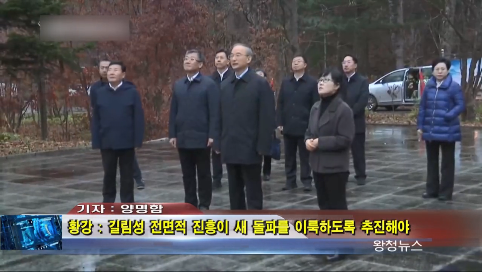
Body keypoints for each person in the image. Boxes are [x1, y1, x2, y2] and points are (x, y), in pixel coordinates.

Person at [305, 67, 354, 261]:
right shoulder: (316, 107)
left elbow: (345, 139)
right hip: (317, 164)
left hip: (335, 167)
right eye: (320, 79)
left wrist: (320, 143)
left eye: (326, 80)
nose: (321, 82)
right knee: (324, 207)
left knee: (337, 208)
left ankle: (344, 247)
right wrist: (308, 140)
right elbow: (309, 131)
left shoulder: (343, 110)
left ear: (337, 86)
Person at [220, 43, 275, 210]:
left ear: (249, 59)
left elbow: (267, 117)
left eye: (238, 55)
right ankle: (237, 225)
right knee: (234, 191)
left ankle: (254, 225)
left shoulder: (259, 83)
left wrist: (263, 145)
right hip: (230, 145)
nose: (233, 58)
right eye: (231, 55)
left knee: (253, 192)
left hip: (251, 147)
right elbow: (220, 116)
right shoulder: (225, 84)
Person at [168, 49, 220, 210]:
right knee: (187, 174)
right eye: (186, 58)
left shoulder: (208, 84)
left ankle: (204, 203)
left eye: (191, 59)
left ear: (200, 64)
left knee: (203, 173)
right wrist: (172, 134)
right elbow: (173, 111)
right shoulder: (178, 85)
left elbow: (214, 111)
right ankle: (190, 202)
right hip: (183, 136)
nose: (187, 61)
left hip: (202, 136)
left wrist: (213, 134)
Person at [91, 61, 145, 203]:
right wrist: (96, 140)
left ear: (123, 74)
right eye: (109, 70)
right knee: (109, 174)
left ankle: (127, 204)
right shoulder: (100, 93)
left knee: (127, 175)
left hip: (126, 141)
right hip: (107, 141)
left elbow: (138, 117)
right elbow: (96, 118)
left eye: (115, 70)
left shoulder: (131, 92)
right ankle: (107, 203)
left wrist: (137, 140)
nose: (111, 72)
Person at [417, 57, 465, 201]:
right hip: (430, 130)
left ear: (448, 70)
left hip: (448, 129)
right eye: (437, 69)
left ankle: (445, 192)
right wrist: (420, 127)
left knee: (447, 164)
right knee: (431, 162)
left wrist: (448, 115)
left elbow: (460, 105)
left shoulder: (454, 86)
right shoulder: (429, 87)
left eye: (442, 69)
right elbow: (423, 107)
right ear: (433, 71)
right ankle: (431, 190)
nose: (439, 71)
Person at [277, 55, 318, 191]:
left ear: (305, 65)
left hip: (305, 125)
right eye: (293, 61)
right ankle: (290, 180)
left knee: (305, 156)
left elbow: (315, 105)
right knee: (289, 156)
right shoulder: (286, 82)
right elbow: (281, 102)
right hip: (288, 124)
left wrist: (313, 124)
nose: (295, 64)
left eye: (299, 61)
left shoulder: (312, 83)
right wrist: (280, 122)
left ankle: (306, 180)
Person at [342, 55, 369, 185]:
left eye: (348, 62)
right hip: (340, 122)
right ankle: (342, 174)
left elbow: (363, 100)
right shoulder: (340, 81)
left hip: (356, 121)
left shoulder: (362, 81)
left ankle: (360, 175)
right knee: (341, 150)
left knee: (358, 150)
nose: (345, 65)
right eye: (344, 62)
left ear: (355, 65)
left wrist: (349, 113)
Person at [210, 49, 233, 189]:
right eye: (216, 57)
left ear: (228, 62)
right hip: (215, 116)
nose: (218, 60)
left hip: (230, 116)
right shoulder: (210, 79)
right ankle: (216, 178)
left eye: (221, 57)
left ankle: (234, 177)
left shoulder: (232, 77)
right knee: (215, 149)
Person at [255, 68, 276, 181]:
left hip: (267, 123)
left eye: (261, 75)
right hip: (254, 124)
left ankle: (267, 171)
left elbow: (272, 108)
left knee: (267, 150)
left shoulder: (269, 90)